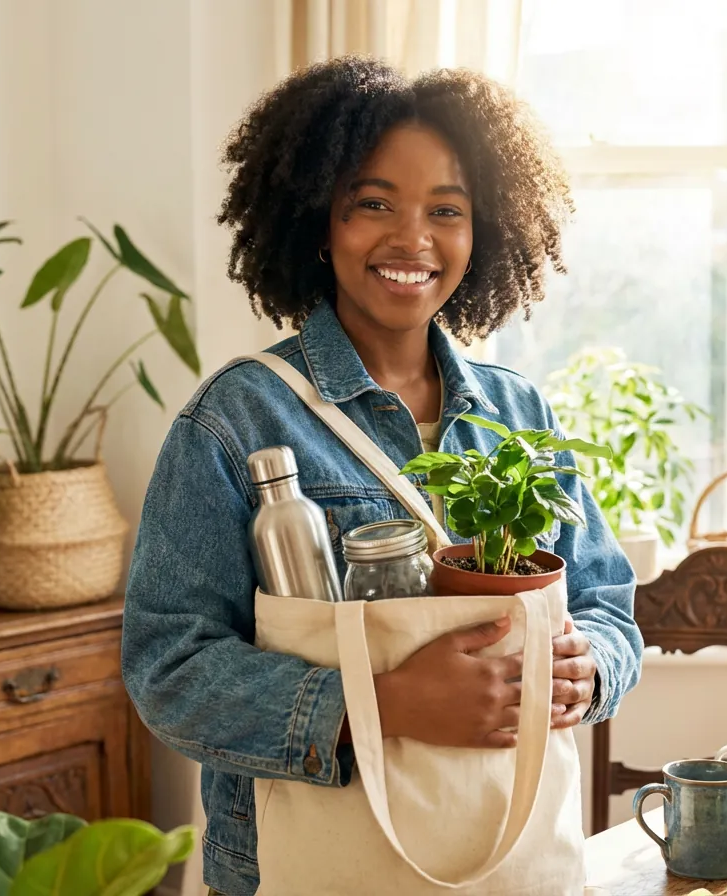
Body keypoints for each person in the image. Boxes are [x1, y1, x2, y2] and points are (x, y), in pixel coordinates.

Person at [122, 55, 642, 896]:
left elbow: (605, 605)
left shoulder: (518, 416)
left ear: (485, 233)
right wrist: (386, 704)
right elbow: (168, 668)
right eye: (373, 204)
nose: (413, 239)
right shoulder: (237, 420)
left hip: (508, 866)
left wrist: (592, 671)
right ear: (317, 224)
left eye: (447, 210)